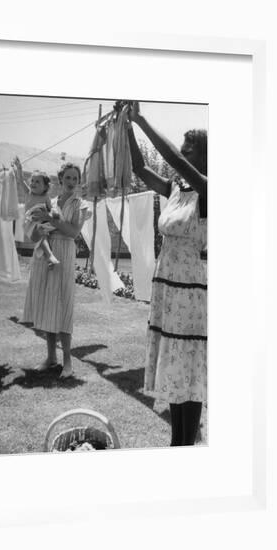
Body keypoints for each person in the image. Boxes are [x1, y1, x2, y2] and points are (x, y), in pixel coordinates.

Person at [127, 100, 207, 446]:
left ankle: (184, 442)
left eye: (191, 150)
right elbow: (140, 167)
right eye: (184, 148)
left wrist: (142, 118)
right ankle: (181, 440)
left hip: (190, 292)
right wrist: (126, 126)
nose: (183, 154)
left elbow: (173, 158)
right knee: (176, 369)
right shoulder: (178, 190)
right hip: (169, 288)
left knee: (188, 367)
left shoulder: (209, 190)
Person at [22, 163, 90, 378]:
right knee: (48, 304)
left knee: (63, 304)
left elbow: (72, 232)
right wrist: (38, 226)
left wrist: (51, 219)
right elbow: (35, 233)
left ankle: (68, 362)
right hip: (46, 252)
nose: (71, 181)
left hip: (65, 252)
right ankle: (51, 358)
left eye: (75, 178)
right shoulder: (49, 201)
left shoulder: (81, 204)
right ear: (60, 179)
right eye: (67, 177)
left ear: (78, 181)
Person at [22, 169, 60, 268]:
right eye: (32, 181)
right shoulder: (29, 193)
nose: (33, 183)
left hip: (41, 222)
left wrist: (54, 213)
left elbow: (50, 210)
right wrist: (18, 171)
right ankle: (50, 255)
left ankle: (49, 259)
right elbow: (20, 181)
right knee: (41, 234)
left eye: (37, 181)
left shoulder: (46, 197)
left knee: (45, 236)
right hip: (30, 223)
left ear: (45, 187)